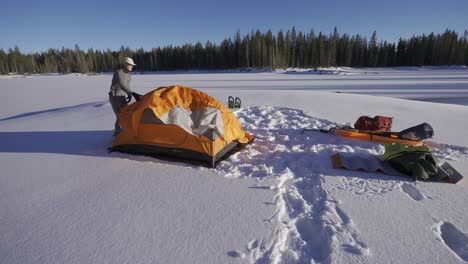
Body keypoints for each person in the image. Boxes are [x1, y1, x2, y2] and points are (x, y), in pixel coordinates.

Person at [109, 57, 143, 136]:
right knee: (120, 116)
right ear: (125, 64)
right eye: (130, 65)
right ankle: (117, 133)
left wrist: (129, 94)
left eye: (132, 65)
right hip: (115, 97)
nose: (132, 66)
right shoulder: (118, 72)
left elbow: (126, 86)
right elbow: (121, 85)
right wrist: (133, 93)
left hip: (122, 97)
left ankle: (125, 131)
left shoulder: (129, 75)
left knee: (126, 114)